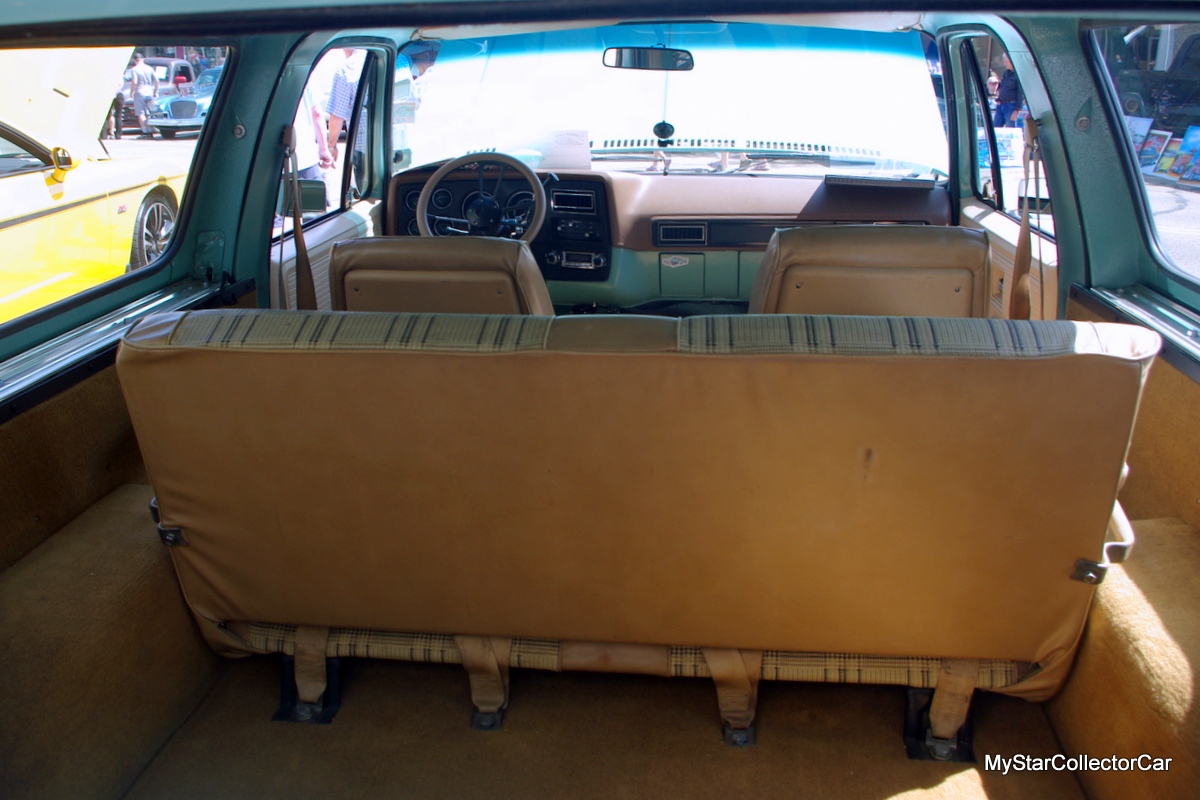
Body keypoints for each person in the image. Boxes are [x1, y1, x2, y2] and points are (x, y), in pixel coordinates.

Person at [324, 49, 367, 191]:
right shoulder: (397, 58)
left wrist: (331, 146)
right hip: (398, 144)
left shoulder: (347, 68)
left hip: (365, 148)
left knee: (367, 192)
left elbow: (337, 114)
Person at [129, 52, 159, 139]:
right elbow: (157, 80)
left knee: (141, 113)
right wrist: (156, 91)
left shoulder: (134, 69)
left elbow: (134, 82)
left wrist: (132, 91)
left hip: (140, 92)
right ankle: (150, 130)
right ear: (143, 59)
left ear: (135, 60)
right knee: (148, 113)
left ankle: (145, 132)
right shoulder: (149, 68)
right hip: (149, 92)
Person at [993, 53, 1023, 128]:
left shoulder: (1019, 74)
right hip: (1001, 104)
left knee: (1010, 128)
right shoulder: (1006, 73)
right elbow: (1003, 87)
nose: (1004, 64)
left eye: (1006, 61)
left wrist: (1017, 109)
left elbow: (1021, 93)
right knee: (995, 127)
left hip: (1011, 106)